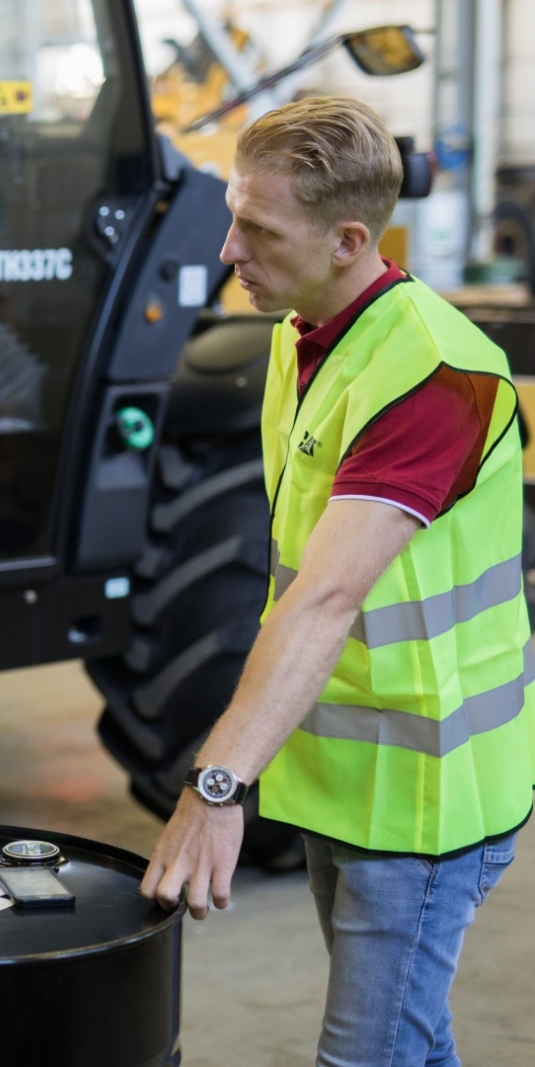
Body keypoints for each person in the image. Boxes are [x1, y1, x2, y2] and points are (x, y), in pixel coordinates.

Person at [141, 97, 533, 1066]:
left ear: (349, 237)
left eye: (258, 228)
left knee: (366, 1052)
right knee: (409, 1030)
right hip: (337, 775)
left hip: (426, 796)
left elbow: (323, 596)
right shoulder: (304, 332)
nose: (229, 247)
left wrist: (214, 783)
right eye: (234, 214)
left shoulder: (436, 376)